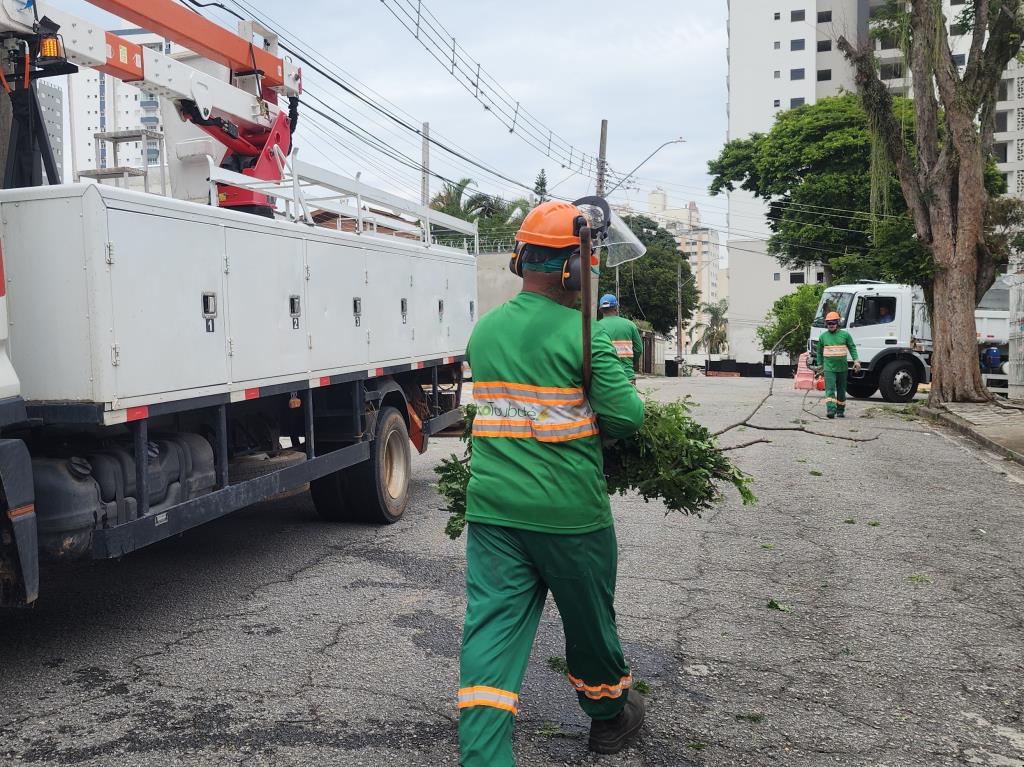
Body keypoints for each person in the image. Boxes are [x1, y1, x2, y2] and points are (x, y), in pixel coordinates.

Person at [459, 200, 647, 766]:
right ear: (574, 269)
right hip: (570, 516)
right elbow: (626, 417)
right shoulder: (584, 335)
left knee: (491, 636)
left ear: (521, 260)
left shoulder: (484, 331)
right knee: (590, 625)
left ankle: (484, 758)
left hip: (493, 512)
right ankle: (609, 717)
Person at [816, 311, 860, 418]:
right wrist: (820, 365)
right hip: (829, 368)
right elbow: (819, 353)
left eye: (833, 322)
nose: (831, 325)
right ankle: (831, 410)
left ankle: (840, 410)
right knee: (830, 389)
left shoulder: (845, 335)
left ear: (838, 323)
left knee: (841, 390)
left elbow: (852, 347)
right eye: (829, 323)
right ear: (826, 324)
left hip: (842, 368)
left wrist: (856, 360)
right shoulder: (823, 337)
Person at [597, 294, 644, 382]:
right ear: (616, 308)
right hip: (626, 375)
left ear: (600, 310)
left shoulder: (596, 327)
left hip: (604, 377)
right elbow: (638, 349)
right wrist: (629, 363)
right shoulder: (630, 325)